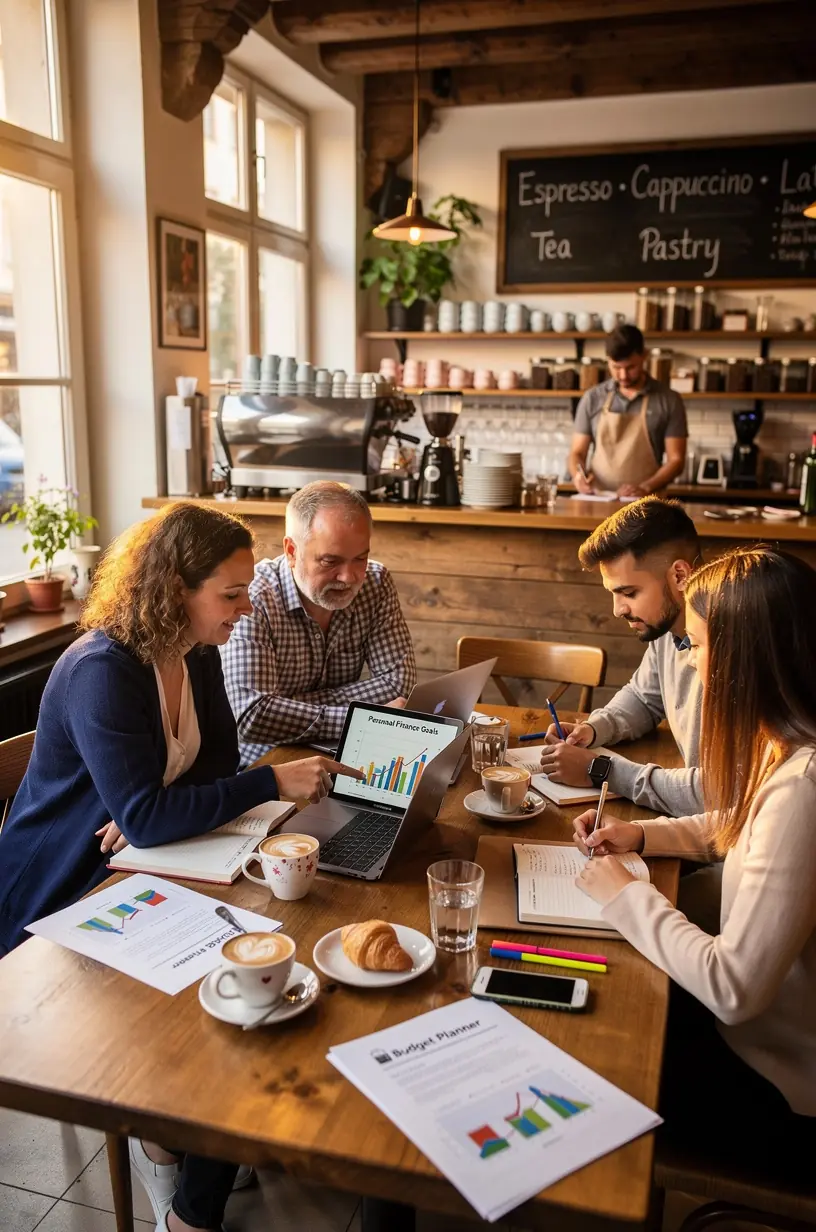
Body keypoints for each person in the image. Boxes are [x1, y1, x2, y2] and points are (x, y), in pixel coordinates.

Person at [0, 502, 363, 1232]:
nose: (247, 604)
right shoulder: (104, 669)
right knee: (237, 1004)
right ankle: (193, 1210)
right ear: (173, 589)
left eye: (246, 587)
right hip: (64, 886)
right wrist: (252, 788)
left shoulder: (195, 650)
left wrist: (156, 808)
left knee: (261, 962)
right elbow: (167, 808)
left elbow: (211, 770)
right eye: (231, 593)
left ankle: (179, 1139)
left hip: (141, 861)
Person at [572, 545, 816, 1157]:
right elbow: (741, 822)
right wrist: (645, 836)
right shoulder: (790, 739)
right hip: (764, 1044)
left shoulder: (804, 792)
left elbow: (733, 989)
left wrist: (627, 894)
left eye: (700, 646)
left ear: (746, 658)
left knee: (598, 1060)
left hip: (779, 1085)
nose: (694, 663)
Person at [222, 481, 417, 766]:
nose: (349, 578)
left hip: (344, 759)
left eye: (360, 558)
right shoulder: (255, 597)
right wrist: (363, 719)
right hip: (265, 768)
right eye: (330, 562)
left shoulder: (375, 582)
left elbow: (399, 684)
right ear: (291, 551)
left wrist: (291, 705)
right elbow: (251, 717)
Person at [540, 497, 703, 816]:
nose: (618, 610)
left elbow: (712, 794)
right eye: (613, 594)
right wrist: (593, 728)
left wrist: (601, 771)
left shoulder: (731, 651)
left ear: (680, 576)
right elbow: (644, 700)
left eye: (629, 593)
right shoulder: (667, 629)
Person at [569, 324, 687, 498]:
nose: (623, 375)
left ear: (644, 356)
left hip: (646, 504)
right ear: (608, 360)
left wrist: (646, 487)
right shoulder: (592, 398)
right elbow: (577, 452)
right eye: (616, 368)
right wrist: (578, 475)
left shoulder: (669, 400)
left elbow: (676, 460)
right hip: (599, 499)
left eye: (630, 367)